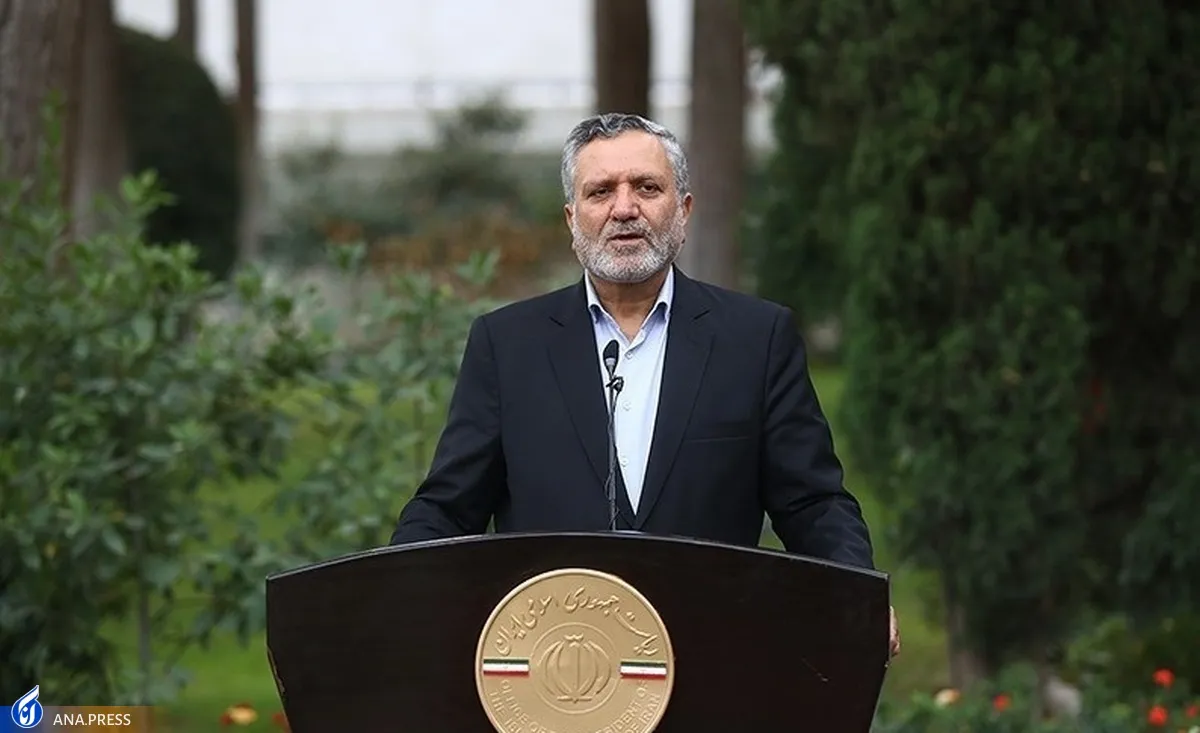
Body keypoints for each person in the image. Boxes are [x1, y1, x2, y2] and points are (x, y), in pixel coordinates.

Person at [389, 112, 899, 657]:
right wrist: (387, 592)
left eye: (647, 188)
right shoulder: (508, 344)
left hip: (711, 659)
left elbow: (812, 504)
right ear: (572, 218)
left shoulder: (756, 338)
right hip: (555, 667)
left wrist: (856, 597)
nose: (624, 208)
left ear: (684, 209)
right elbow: (449, 507)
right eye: (601, 191)